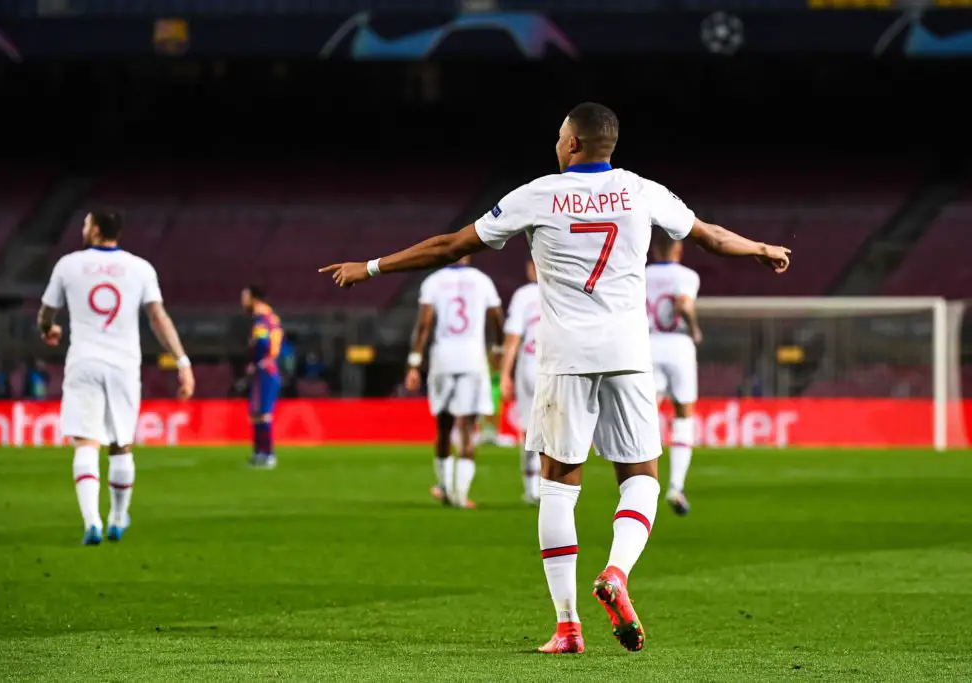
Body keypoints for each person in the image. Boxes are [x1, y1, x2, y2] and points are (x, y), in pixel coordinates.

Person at [319, 102, 790, 654]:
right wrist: (761, 248)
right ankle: (616, 571)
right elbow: (710, 235)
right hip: (628, 353)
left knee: (558, 487)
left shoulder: (537, 194)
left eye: (560, 135)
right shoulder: (641, 191)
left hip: (565, 356)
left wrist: (371, 267)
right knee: (642, 478)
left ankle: (568, 627)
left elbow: (451, 246)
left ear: (572, 144)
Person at [39, 210, 195, 546]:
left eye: (85, 224)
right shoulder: (140, 268)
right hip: (123, 364)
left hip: (84, 361)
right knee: (121, 443)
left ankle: (91, 521)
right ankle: (118, 517)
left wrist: (48, 329)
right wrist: (182, 361)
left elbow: (46, 312)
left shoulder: (68, 265)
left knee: (86, 442)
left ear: (95, 230)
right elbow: (158, 317)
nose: (83, 229)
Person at [404, 255, 503, 508]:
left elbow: (423, 324)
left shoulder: (434, 281)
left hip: (443, 360)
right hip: (472, 360)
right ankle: (460, 494)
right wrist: (499, 351)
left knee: (444, 427)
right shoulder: (482, 281)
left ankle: (446, 488)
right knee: (468, 429)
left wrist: (414, 363)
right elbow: (496, 319)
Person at [646, 231, 702, 516]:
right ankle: (676, 486)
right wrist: (694, 328)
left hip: (648, 345)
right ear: (678, 251)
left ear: (655, 250)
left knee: (648, 413)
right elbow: (682, 303)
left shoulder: (642, 275)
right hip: (678, 346)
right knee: (683, 414)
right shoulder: (687, 276)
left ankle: (645, 482)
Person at [500, 258, 541, 505]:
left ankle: (531, 488)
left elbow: (512, 338)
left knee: (530, 429)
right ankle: (553, 487)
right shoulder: (566, 289)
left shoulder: (524, 295)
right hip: (559, 367)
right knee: (555, 430)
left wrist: (505, 373)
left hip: (529, 365)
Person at [241, 285, 284, 469]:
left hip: (265, 370)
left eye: (245, 297)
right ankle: (260, 453)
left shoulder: (262, 319)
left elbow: (263, 343)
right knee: (256, 413)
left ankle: (267, 454)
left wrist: (256, 361)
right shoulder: (269, 317)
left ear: (254, 299)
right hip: (265, 369)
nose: (242, 301)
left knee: (263, 413)